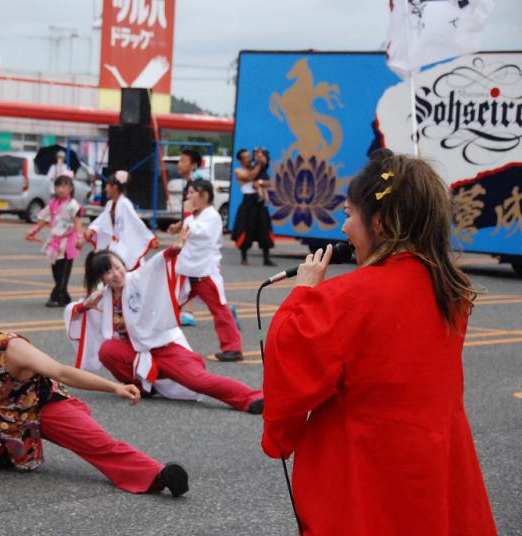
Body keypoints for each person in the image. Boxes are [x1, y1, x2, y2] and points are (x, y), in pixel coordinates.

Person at [261, 150, 497, 535]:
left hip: (363, 466)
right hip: (433, 460)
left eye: (349, 214)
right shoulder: (450, 290)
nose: (344, 228)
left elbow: (291, 358)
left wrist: (302, 293)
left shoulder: (347, 296)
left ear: (381, 222)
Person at [0, 295, 189, 497]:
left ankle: (158, 475)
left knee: (98, 443)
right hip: (5, 414)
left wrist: (115, 387)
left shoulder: (13, 349)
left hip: (43, 406)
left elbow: (62, 372)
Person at [64, 232, 264, 414]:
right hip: (138, 351)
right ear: (101, 278)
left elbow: (154, 267)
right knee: (108, 350)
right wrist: (83, 307)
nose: (116, 274)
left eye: (118, 267)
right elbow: (75, 310)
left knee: (199, 381)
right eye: (109, 272)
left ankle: (251, 397)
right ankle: (141, 387)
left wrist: (171, 251)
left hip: (164, 347)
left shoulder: (137, 279)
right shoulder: (104, 296)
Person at [167, 179, 243, 362]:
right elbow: (189, 226)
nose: (188, 197)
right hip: (187, 272)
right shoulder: (197, 215)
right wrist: (181, 222)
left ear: (204, 195)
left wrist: (186, 215)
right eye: (188, 193)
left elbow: (198, 232)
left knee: (220, 310)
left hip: (204, 273)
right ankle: (159, 341)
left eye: (192, 193)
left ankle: (233, 348)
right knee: (169, 306)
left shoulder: (212, 216)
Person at [27, 174, 84, 308]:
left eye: (64, 186)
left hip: (68, 243)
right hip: (55, 242)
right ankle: (65, 297)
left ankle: (55, 297)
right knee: (56, 271)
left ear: (70, 188)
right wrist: (34, 231)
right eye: (58, 186)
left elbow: (77, 223)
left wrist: (80, 239)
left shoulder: (73, 205)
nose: (60, 189)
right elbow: (44, 219)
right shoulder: (53, 203)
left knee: (64, 271)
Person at [84, 170, 157, 270]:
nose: (106, 189)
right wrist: (92, 229)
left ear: (115, 187)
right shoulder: (110, 204)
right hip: (115, 245)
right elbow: (102, 221)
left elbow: (136, 222)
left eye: (108, 186)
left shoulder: (125, 204)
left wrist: (150, 238)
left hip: (124, 244)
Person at [231, 148, 274, 266]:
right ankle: (244, 258)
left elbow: (269, 182)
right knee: (246, 229)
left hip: (260, 202)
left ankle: (266, 258)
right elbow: (250, 177)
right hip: (248, 203)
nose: (249, 159)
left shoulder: (257, 168)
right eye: (245, 157)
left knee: (264, 228)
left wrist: (259, 182)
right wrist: (259, 164)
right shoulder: (238, 171)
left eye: (249, 156)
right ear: (240, 160)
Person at [175, 149, 203, 326]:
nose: (179, 164)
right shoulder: (190, 184)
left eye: (183, 161)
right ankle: (186, 310)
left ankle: (188, 312)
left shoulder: (196, 186)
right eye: (179, 161)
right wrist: (178, 225)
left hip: (194, 236)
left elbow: (196, 212)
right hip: (189, 233)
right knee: (190, 274)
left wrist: (184, 232)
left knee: (191, 274)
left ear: (193, 165)